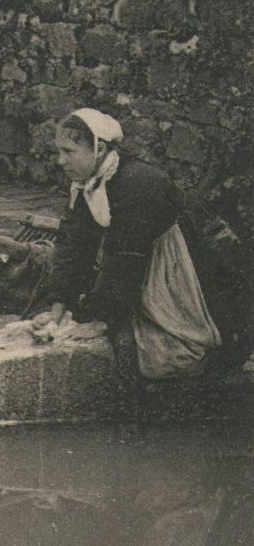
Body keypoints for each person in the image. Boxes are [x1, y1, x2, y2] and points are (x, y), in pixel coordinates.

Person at [31, 108, 254, 385]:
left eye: (69, 151)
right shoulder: (86, 183)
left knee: (164, 357)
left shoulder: (138, 182)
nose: (61, 160)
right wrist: (57, 308)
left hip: (185, 267)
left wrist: (101, 322)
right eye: (59, 151)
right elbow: (73, 245)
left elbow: (123, 258)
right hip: (144, 260)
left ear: (98, 149)